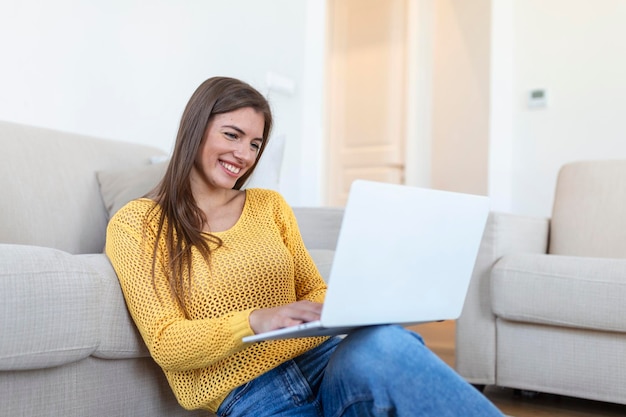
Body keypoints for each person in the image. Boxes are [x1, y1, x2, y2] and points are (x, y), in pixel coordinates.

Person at [105, 76, 503, 417]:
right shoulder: (136, 224)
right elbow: (166, 343)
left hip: (324, 362)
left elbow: (315, 290)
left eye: (255, 144)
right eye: (232, 135)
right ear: (195, 129)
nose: (244, 155)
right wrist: (256, 320)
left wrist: (361, 305)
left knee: (386, 343)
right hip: (252, 397)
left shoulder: (269, 207)